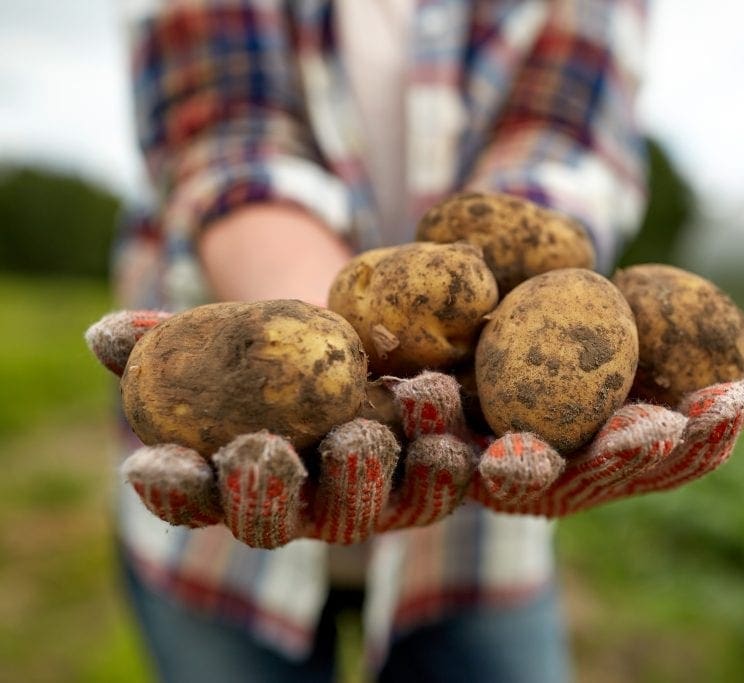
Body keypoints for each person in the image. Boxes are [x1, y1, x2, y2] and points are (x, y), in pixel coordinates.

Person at [116, 1, 648, 680]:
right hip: (219, 539)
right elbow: (222, 127)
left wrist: (522, 277)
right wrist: (313, 311)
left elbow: (561, 137)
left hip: (476, 521)